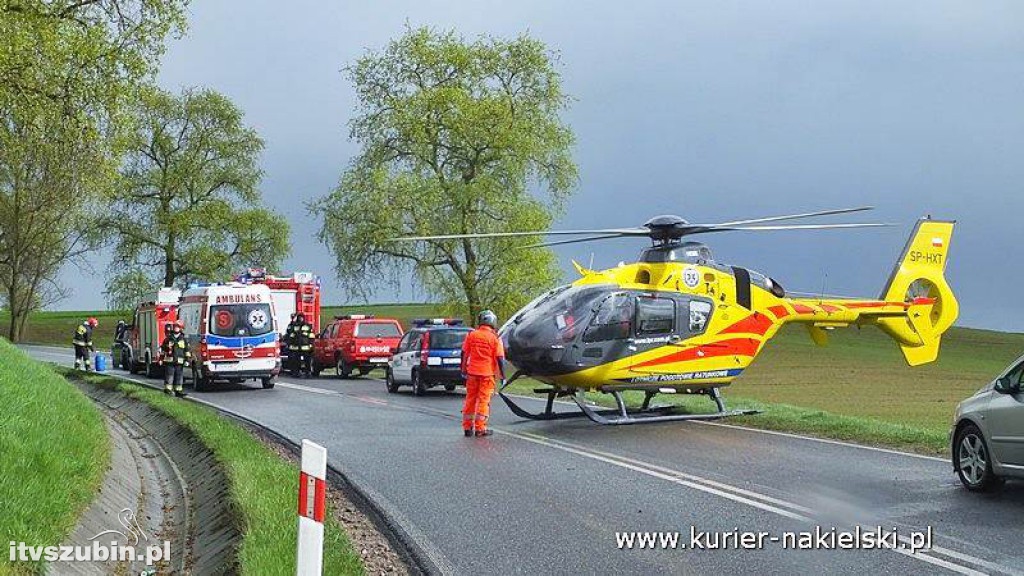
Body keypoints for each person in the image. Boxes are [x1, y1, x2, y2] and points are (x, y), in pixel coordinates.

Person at [460, 309, 506, 437]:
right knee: (483, 401)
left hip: (472, 373)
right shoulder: (495, 338)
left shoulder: (472, 335)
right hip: (487, 374)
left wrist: (463, 369)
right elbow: (500, 358)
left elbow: (464, 353)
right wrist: (503, 376)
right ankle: (480, 428)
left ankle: (467, 427)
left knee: (470, 399)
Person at [159, 319, 191, 397]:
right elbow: (163, 350)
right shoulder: (168, 338)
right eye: (175, 326)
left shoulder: (183, 339)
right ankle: (168, 390)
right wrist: (161, 359)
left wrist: (187, 360)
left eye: (178, 327)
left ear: (181, 328)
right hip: (169, 361)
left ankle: (178, 391)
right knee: (169, 376)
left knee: (179, 376)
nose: (176, 328)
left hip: (179, 362)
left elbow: (187, 351)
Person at [287, 313, 314, 378]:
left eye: (301, 317)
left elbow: (311, 336)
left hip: (306, 347)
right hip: (296, 347)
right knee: (296, 361)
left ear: (303, 318)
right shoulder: (294, 325)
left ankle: (308, 373)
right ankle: (296, 373)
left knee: (307, 361)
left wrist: (311, 344)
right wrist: (290, 343)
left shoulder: (308, 326)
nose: (300, 319)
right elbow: (290, 334)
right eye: (299, 317)